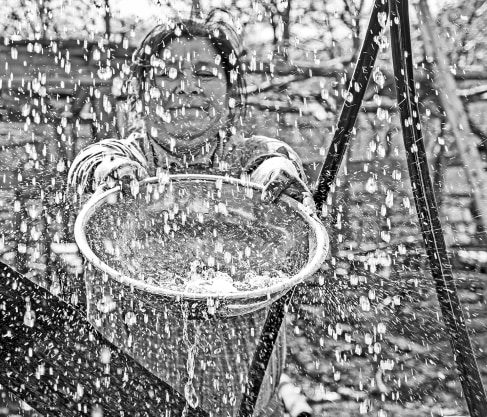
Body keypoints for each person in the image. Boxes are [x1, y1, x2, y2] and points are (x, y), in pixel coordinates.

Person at [70, 12, 314, 416]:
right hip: (134, 394)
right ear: (141, 90)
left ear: (231, 93)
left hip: (247, 398)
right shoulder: (130, 160)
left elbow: (272, 162)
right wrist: (108, 175)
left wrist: (279, 176)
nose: (185, 87)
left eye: (204, 74)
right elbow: (91, 163)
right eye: (166, 75)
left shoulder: (245, 158)